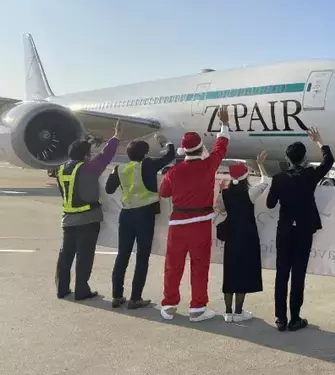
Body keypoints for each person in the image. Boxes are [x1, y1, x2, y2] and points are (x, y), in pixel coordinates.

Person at [158, 106, 230, 322]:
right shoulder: (209, 165)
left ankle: (169, 304)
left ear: (184, 151)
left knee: (173, 266)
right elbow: (221, 146)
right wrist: (224, 124)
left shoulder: (173, 172)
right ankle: (197, 308)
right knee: (199, 266)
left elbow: (164, 193)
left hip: (178, 224)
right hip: (200, 223)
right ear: (201, 149)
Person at [266, 127, 334, 332]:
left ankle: (280, 319)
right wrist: (319, 141)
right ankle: (295, 318)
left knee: (282, 274)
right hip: (304, 230)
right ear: (304, 158)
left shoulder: (278, 178)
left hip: (284, 230)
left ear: (287, 158)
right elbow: (328, 162)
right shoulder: (309, 175)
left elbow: (270, 204)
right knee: (298, 275)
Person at [105, 133, 175, 309]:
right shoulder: (148, 164)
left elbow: (109, 189)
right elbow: (169, 156)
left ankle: (117, 296)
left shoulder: (120, 169)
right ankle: (135, 298)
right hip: (145, 215)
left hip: (126, 215)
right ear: (145, 154)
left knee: (123, 255)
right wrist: (166, 142)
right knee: (142, 257)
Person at [55, 121, 122, 300]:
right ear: (85, 155)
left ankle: (62, 288)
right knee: (84, 256)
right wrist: (116, 137)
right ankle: (81, 290)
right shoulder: (87, 168)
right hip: (87, 218)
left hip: (67, 218)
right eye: (89, 154)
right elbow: (105, 156)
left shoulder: (61, 169)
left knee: (66, 254)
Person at [215, 151, 270, 323]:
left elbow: (220, 209)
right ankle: (239, 312)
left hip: (231, 235)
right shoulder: (250, 193)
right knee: (243, 272)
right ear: (246, 177)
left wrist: (221, 190)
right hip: (247, 237)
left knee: (230, 272)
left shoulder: (225, 193)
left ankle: (228, 312)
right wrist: (260, 164)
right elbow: (265, 182)